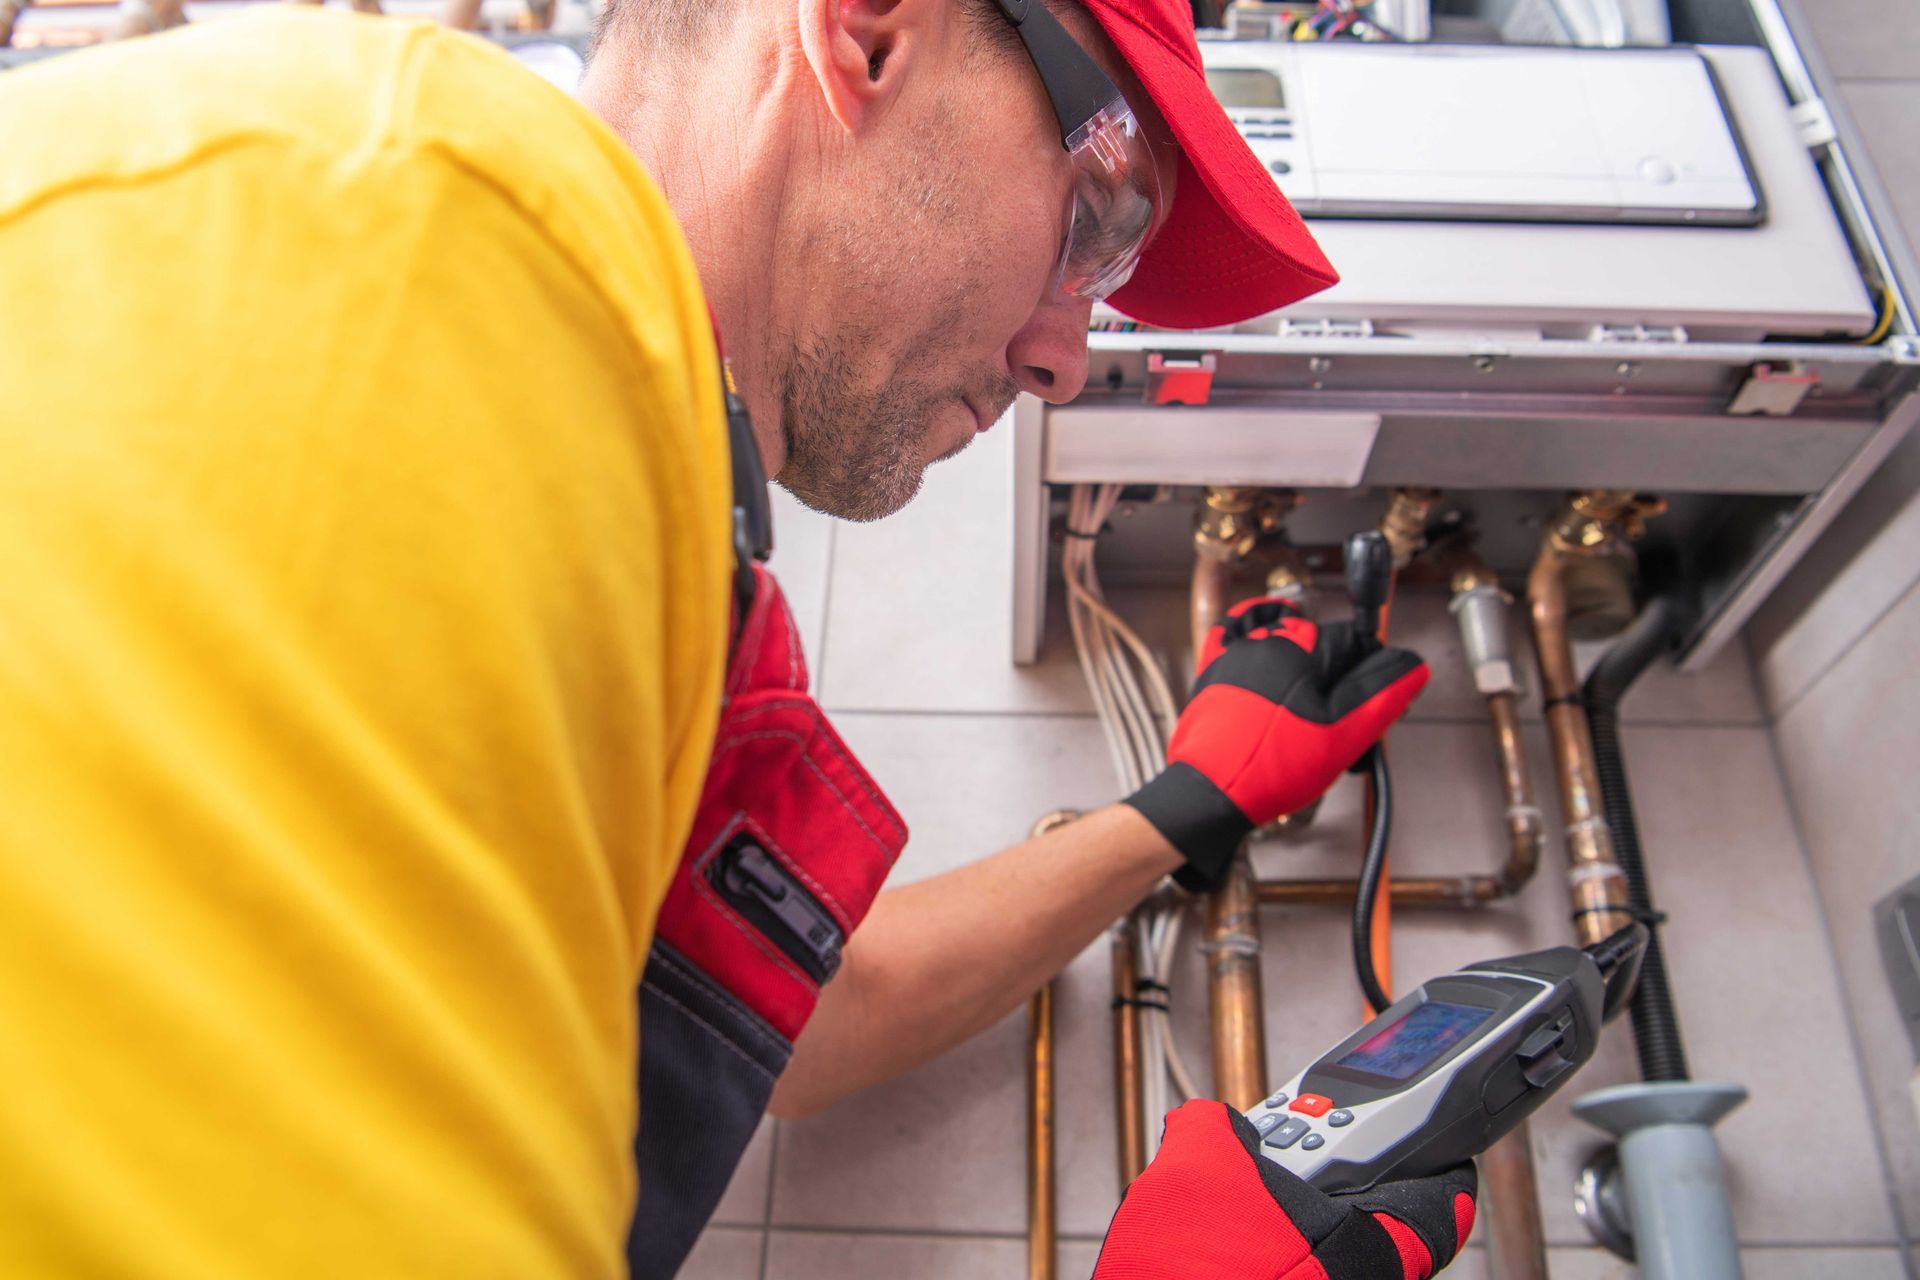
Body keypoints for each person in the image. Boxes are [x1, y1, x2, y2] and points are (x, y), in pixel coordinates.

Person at [0, 0, 1473, 1275]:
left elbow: (806, 1024)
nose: (1064, 356)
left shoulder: (636, 492)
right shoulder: (404, 231)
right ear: (872, 34)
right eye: (1097, 217)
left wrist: (1179, 808)